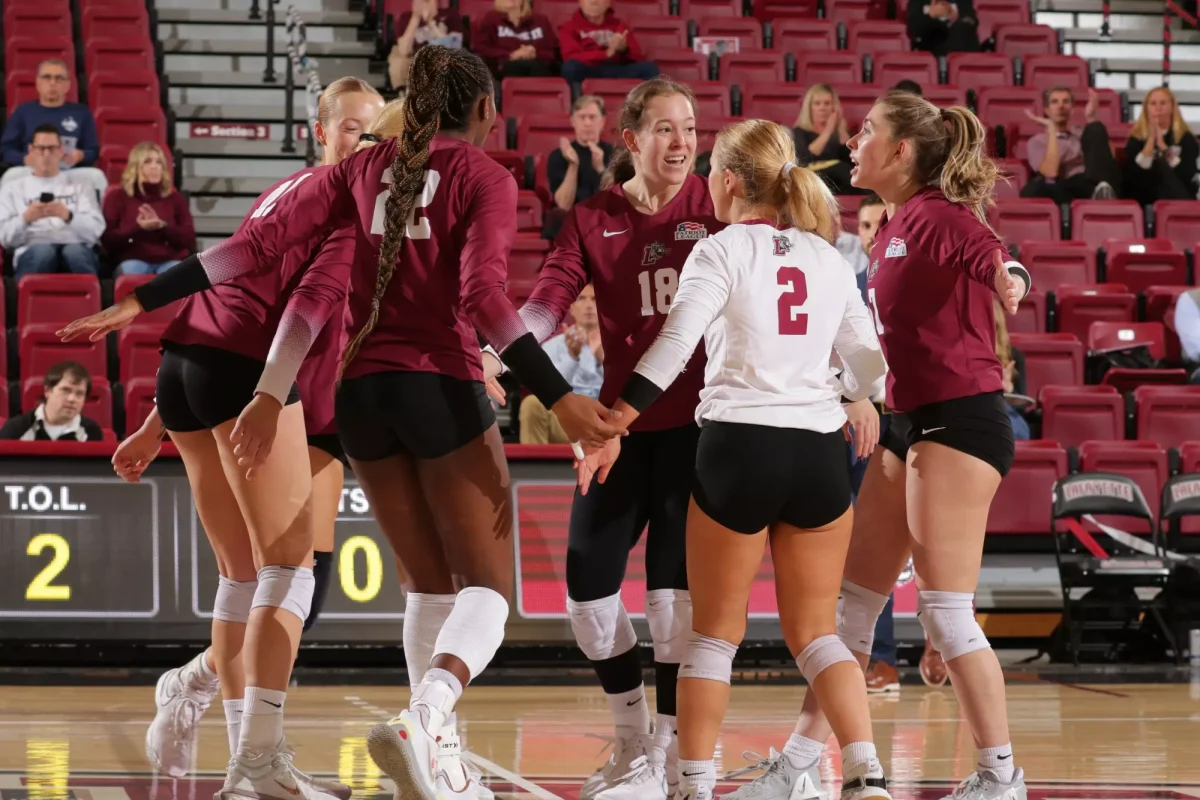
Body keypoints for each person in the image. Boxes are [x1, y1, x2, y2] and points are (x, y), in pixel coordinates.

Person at [68, 46, 619, 800]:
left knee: (417, 585)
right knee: (485, 589)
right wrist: (558, 397)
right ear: (486, 112)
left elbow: (252, 248)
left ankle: (425, 755)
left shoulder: (357, 173)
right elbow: (482, 297)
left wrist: (145, 297)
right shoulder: (483, 175)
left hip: (357, 397)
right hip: (432, 384)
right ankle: (426, 720)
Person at [58, 77, 400, 800]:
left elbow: (231, 274)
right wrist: (260, 393)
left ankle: (197, 692)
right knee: (279, 578)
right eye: (351, 129)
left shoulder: (299, 193)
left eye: (375, 135)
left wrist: (156, 397)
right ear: (319, 129)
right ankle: (251, 757)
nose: (363, 145)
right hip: (260, 380)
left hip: (262, 383)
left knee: (283, 582)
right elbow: (287, 304)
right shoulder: (341, 203)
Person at [728, 91, 1032, 800]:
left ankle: (1000, 777)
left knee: (947, 612)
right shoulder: (894, 225)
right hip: (907, 423)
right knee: (854, 608)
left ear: (901, 152)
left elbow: (993, 256)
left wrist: (1011, 279)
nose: (854, 140)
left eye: (867, 131)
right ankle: (802, 766)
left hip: (960, 421)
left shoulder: (936, 216)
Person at [579, 116, 890, 800]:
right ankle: (866, 772)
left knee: (713, 636)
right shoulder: (829, 256)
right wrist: (836, 393)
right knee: (817, 633)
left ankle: (693, 784)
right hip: (817, 453)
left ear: (725, 180)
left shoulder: (720, 252)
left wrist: (615, 422)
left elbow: (671, 348)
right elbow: (873, 372)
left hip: (738, 448)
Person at [505, 76, 721, 800]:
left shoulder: (719, 204)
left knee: (670, 607)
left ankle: (660, 756)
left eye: (690, 127)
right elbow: (547, 303)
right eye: (665, 128)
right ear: (629, 140)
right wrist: (500, 348)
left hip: (700, 430)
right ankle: (630, 737)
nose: (683, 141)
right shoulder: (594, 217)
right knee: (588, 602)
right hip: (619, 428)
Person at [0, 124, 105, 277]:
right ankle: (24, 299)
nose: (47, 154)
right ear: (31, 150)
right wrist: (25, 219)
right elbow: (5, 238)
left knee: (74, 253)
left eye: (52, 148)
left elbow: (96, 231)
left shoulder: (82, 185)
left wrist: (69, 216)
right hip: (32, 248)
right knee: (43, 252)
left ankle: (93, 299)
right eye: (41, 148)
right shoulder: (12, 188)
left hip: (77, 246)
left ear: (61, 150)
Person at [0, 59, 107, 193]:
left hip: (68, 172)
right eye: (47, 77)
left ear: (67, 85)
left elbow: (93, 150)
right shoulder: (23, 111)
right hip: (32, 171)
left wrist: (80, 155)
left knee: (97, 177)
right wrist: (25, 159)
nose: (52, 83)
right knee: (11, 176)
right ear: (38, 83)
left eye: (59, 78)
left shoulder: (81, 113)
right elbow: (6, 148)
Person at [520, 284, 604, 444]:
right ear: (571, 308)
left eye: (594, 299)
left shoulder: (618, 346)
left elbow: (627, 389)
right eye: (581, 299)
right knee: (532, 404)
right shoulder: (552, 346)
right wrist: (572, 357)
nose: (588, 305)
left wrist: (604, 360)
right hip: (567, 418)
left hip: (605, 418)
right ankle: (534, 467)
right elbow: (547, 392)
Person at [102, 142, 195, 275]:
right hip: (132, 259)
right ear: (135, 167)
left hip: (169, 260)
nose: (154, 167)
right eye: (147, 162)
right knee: (131, 270)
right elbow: (108, 241)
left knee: (176, 275)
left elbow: (189, 239)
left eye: (159, 162)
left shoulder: (175, 198)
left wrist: (163, 226)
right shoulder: (117, 197)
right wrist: (137, 227)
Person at [1021, 87, 1120, 203]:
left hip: (1091, 182)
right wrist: (1052, 130)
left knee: (1096, 127)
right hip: (1065, 188)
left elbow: (1109, 159)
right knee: (1035, 188)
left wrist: (1091, 119)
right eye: (1055, 102)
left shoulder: (1085, 133)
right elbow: (1050, 172)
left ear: (1072, 109)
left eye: (1066, 101)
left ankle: (1102, 193)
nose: (1061, 106)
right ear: (1047, 111)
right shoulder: (1038, 141)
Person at [545, 95, 614, 238]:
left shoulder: (616, 155)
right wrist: (573, 165)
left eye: (592, 117)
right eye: (582, 117)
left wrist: (601, 169)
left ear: (603, 122)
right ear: (573, 121)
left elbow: (615, 202)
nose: (587, 123)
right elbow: (563, 204)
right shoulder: (558, 156)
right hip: (572, 222)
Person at [1122, 86, 1199, 206]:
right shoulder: (1136, 139)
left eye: (1163, 103)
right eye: (1153, 103)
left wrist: (1163, 147)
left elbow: (1187, 175)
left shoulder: (1185, 138)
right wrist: (1150, 141)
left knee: (1160, 165)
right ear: (1146, 109)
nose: (1158, 107)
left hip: (1178, 197)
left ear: (1172, 108)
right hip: (1143, 197)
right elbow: (1131, 176)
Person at [559, 0, 659, 85]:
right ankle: (579, 105)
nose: (594, 2)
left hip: (617, 68)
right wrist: (605, 54)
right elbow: (571, 56)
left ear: (608, 3)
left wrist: (624, 50)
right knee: (570, 68)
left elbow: (637, 57)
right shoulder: (569, 27)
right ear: (580, 2)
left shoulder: (619, 25)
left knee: (649, 68)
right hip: (589, 69)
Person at [0, 361, 104, 441]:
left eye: (79, 394)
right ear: (48, 391)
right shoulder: (16, 429)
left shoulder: (92, 432)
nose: (72, 399)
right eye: (65, 390)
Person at [388, 0, 465, 90]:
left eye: (426, 1)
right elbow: (404, 50)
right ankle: (404, 95)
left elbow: (452, 47)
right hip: (414, 58)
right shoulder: (406, 18)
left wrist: (431, 23)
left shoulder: (451, 15)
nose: (422, 4)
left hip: (440, 57)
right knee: (398, 57)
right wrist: (415, 18)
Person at [472, 0, 559, 78]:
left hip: (537, 67)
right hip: (504, 68)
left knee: (537, 68)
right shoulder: (490, 18)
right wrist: (511, 55)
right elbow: (481, 48)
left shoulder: (540, 20)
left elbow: (552, 52)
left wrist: (534, 54)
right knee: (514, 67)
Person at [794, 84, 855, 195]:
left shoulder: (841, 131)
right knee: (840, 168)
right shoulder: (800, 131)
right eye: (817, 104)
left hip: (839, 183)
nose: (822, 108)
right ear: (809, 107)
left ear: (834, 107)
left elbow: (852, 160)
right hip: (814, 179)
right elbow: (805, 159)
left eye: (827, 103)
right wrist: (828, 129)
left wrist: (841, 129)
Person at [907, 0, 979, 56]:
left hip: (962, 48)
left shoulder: (962, 1)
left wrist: (954, 16)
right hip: (933, 47)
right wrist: (931, 15)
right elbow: (914, 26)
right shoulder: (918, 2)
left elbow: (972, 21)